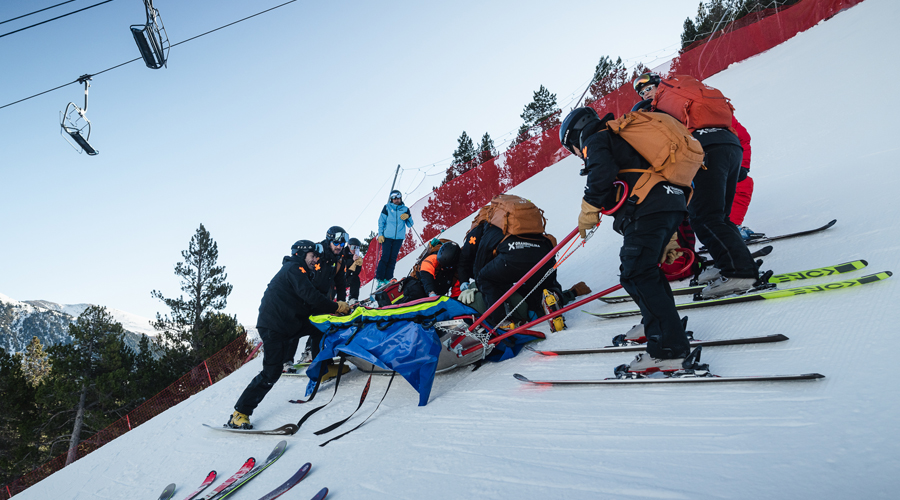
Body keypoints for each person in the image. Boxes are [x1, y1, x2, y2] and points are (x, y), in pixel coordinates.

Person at [560, 106, 697, 374]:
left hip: (648, 208)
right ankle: (662, 328)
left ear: (574, 136)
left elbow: (602, 174)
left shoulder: (595, 138)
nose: (577, 154)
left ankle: (668, 349)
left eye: (572, 149)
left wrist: (589, 208)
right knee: (644, 272)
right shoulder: (623, 138)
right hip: (670, 202)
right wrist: (668, 237)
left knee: (636, 274)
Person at [632, 73, 758, 298]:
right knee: (718, 217)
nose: (646, 94)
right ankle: (729, 263)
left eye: (648, 89)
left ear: (659, 87)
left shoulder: (659, 110)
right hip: (728, 147)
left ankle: (739, 272)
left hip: (705, 151)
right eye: (642, 93)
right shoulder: (688, 100)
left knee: (704, 217)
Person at [227, 240, 350, 429]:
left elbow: (308, 301)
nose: (315, 259)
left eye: (316, 256)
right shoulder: (293, 268)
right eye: (312, 255)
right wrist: (335, 306)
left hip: (289, 323)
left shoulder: (301, 272)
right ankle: (240, 413)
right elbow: (309, 295)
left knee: (320, 327)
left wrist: (330, 312)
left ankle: (322, 369)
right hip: (274, 326)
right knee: (272, 372)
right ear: (301, 255)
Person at [457, 221, 589, 330]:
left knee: (483, 278)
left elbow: (478, 267)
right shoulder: (511, 223)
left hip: (512, 254)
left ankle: (502, 322)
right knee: (544, 284)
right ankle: (553, 295)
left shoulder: (479, 231)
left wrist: (473, 283)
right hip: (544, 251)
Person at [375, 190, 414, 288]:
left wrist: (408, 216)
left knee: (392, 258)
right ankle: (380, 279)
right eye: (394, 198)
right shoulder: (387, 208)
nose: (396, 200)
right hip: (387, 237)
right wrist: (380, 234)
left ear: (400, 198)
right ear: (391, 199)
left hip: (399, 238)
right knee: (385, 256)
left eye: (398, 198)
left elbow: (410, 224)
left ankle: (388, 278)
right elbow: (381, 221)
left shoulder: (405, 209)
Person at [342, 237, 364, 304]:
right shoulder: (343, 252)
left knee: (355, 279)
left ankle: (353, 299)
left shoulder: (356, 256)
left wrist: (358, 264)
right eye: (353, 247)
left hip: (348, 277)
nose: (354, 250)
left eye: (357, 248)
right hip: (339, 276)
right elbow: (342, 265)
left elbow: (356, 273)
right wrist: (352, 261)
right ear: (348, 246)